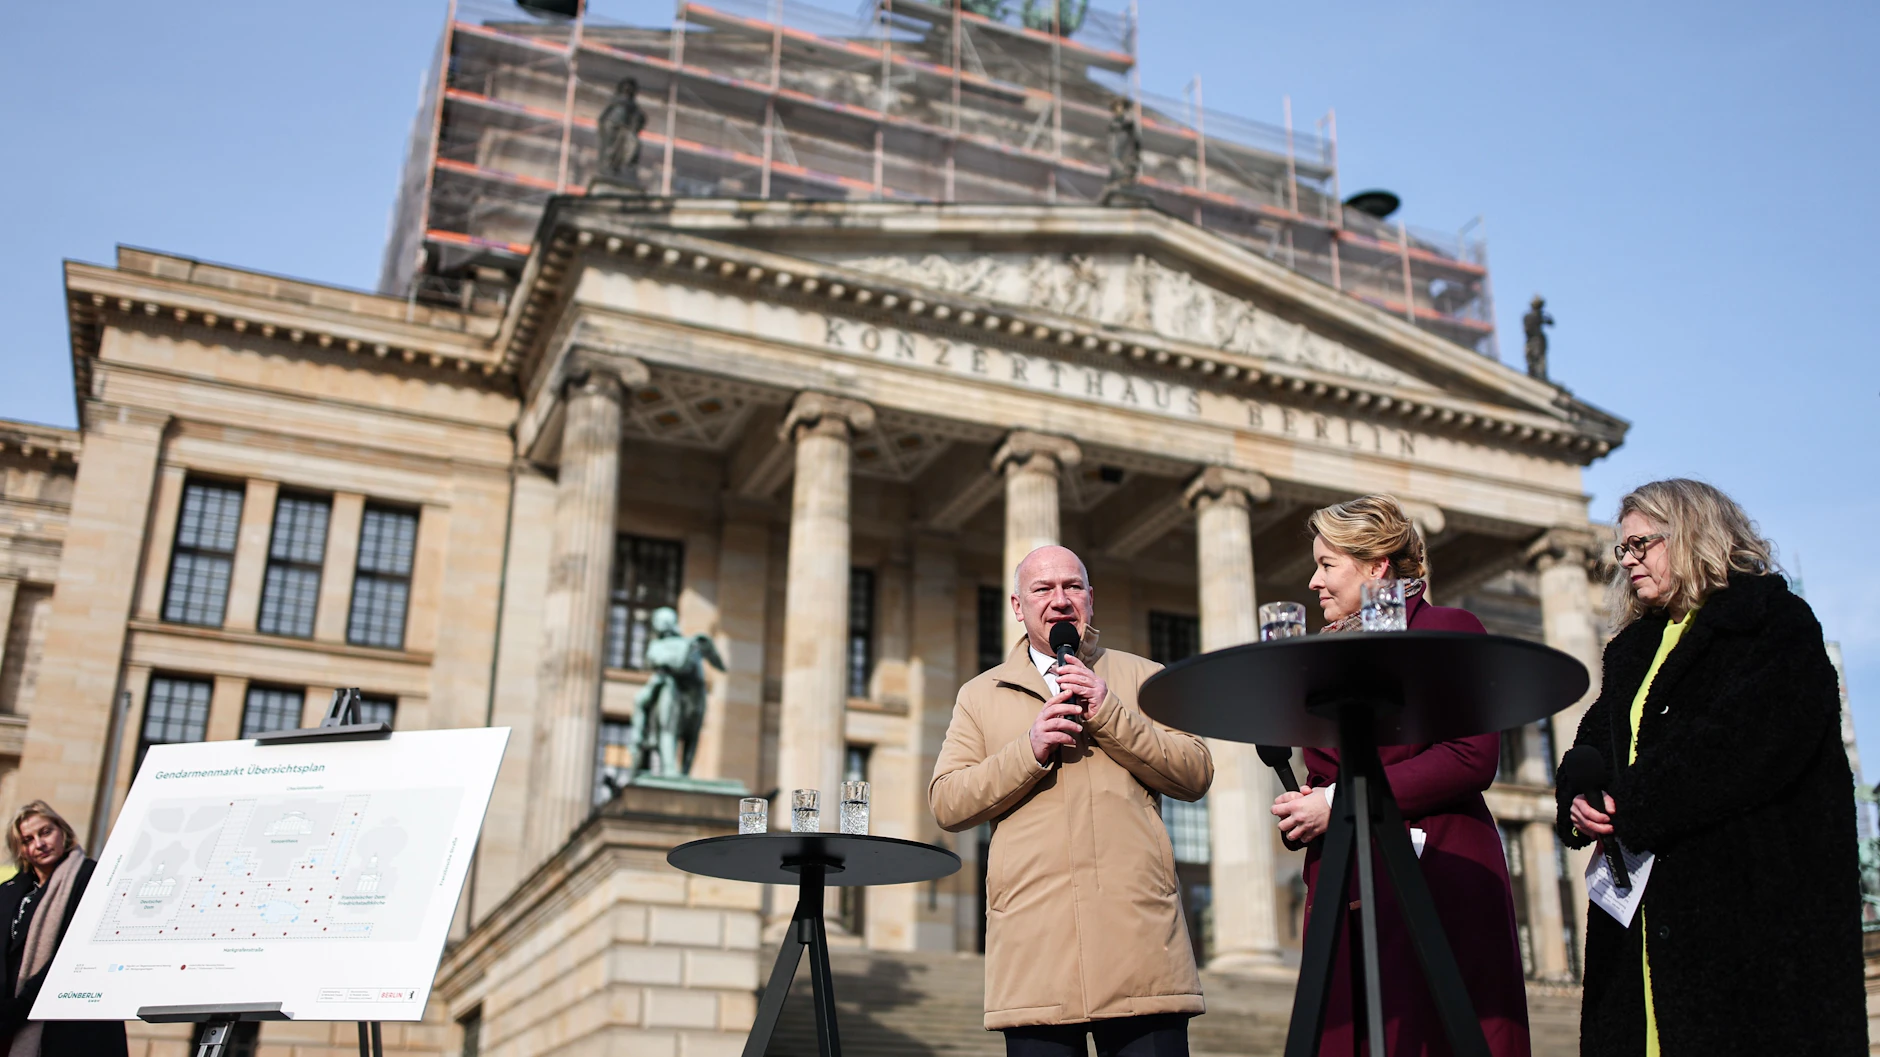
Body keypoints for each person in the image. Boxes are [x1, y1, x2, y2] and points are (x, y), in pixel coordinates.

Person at [1558, 479, 1864, 1056]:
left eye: (1641, 545)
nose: (1628, 562)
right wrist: (1579, 796)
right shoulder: (1633, 648)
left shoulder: (1773, 623)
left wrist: (1630, 804)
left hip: (1748, 921)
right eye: (1622, 550)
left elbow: (1746, 746)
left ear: (1694, 534)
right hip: (1641, 927)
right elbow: (1591, 744)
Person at [1270, 495, 1531, 1057]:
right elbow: (1325, 775)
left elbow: (1470, 755)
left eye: (1326, 564)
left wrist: (1338, 802)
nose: (1313, 582)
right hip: (1350, 887)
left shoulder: (1449, 628)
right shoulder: (1324, 658)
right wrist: (1305, 811)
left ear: (1377, 567)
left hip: (1436, 875)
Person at [931, 545, 1212, 1057]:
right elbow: (947, 801)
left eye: (1072, 587)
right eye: (1043, 589)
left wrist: (1109, 711)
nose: (1059, 601)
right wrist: (1029, 749)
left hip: (1139, 945)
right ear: (1018, 606)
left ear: (1090, 599)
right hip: (1036, 949)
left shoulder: (1143, 677)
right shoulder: (981, 694)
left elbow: (1195, 771)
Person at [0, 801, 127, 1057]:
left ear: (63, 831)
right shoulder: (11, 890)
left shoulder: (92, 877)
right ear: (21, 849)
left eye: (45, 832)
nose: (39, 843)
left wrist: (22, 1005)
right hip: (9, 1023)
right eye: (28, 839)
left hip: (69, 1021)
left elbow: (75, 950)